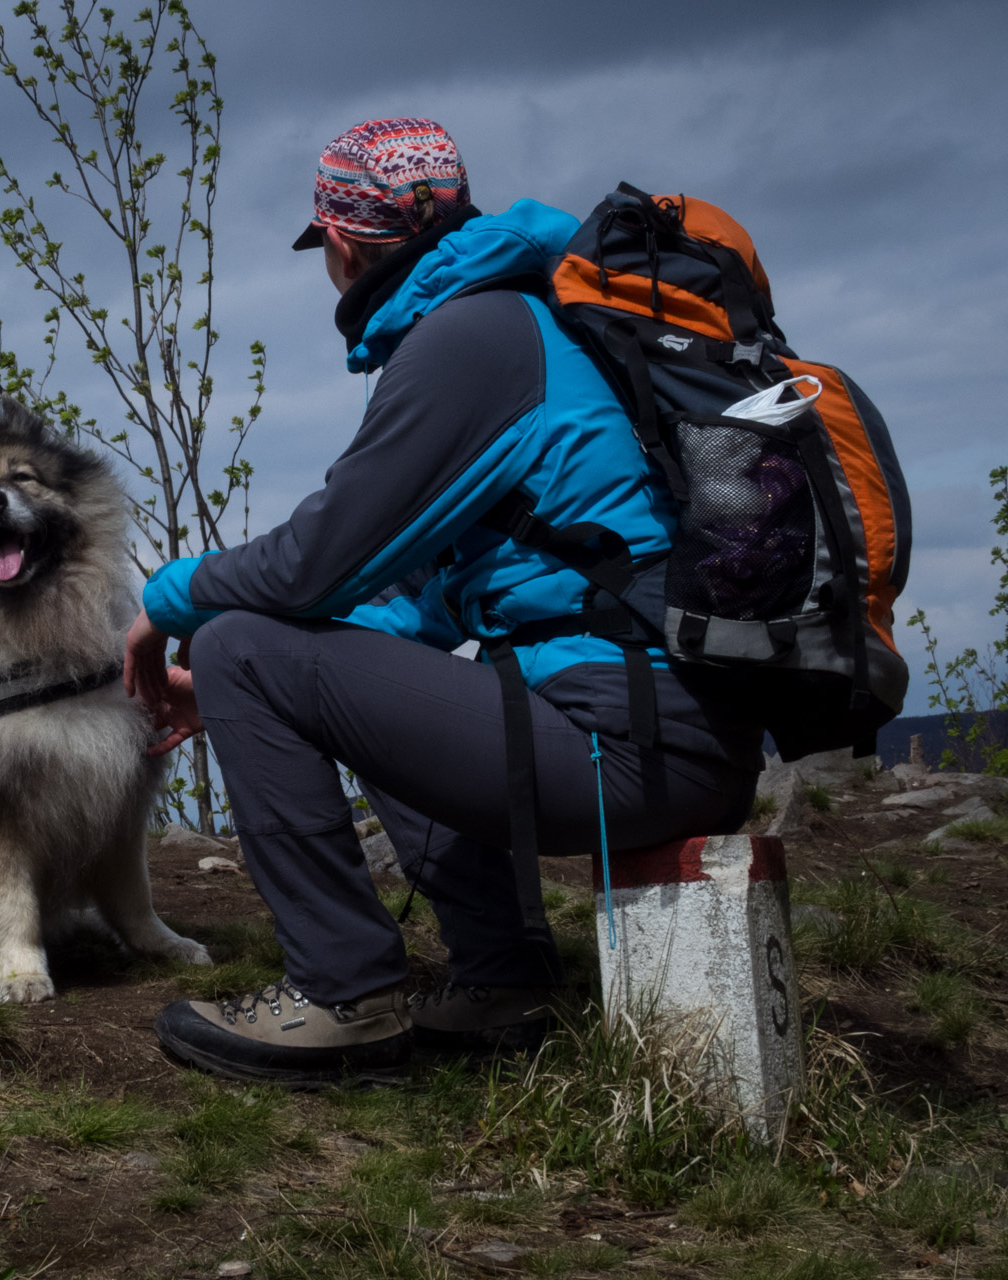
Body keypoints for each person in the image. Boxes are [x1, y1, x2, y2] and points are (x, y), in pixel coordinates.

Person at [126, 118, 764, 1086]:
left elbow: (311, 565)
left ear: (338, 241)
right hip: (665, 731)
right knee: (285, 654)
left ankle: (339, 993)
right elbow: (404, 603)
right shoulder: (517, 322)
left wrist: (168, 600)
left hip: (628, 747)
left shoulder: (469, 338)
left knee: (242, 638)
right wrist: (247, 695)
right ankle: (504, 979)